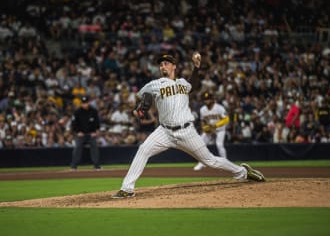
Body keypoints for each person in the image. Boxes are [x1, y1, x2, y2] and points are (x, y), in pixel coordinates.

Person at [112, 53, 265, 198]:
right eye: (160, 65)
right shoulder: (153, 85)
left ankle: (242, 172)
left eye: (166, 63)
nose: (162, 66)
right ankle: (127, 189)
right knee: (143, 150)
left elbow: (195, 85)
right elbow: (139, 97)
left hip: (186, 131)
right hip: (164, 131)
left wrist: (197, 67)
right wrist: (137, 110)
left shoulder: (183, 83)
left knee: (210, 161)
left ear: (174, 67)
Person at [193, 91, 230, 171]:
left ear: (212, 99)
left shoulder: (219, 108)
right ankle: (202, 162)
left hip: (220, 130)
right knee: (200, 144)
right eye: (205, 99)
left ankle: (226, 164)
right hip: (210, 130)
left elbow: (226, 119)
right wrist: (205, 128)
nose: (207, 101)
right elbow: (203, 122)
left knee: (219, 144)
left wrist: (216, 125)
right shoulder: (203, 109)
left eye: (208, 99)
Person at [70, 96, 101, 170]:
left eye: (86, 103)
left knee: (95, 147)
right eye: (83, 103)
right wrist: (78, 132)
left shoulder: (93, 111)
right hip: (81, 134)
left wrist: (96, 131)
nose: (85, 104)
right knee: (77, 147)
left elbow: (97, 123)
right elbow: (74, 123)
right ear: (81, 104)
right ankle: (74, 166)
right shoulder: (77, 112)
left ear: (88, 102)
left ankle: (96, 165)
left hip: (91, 134)